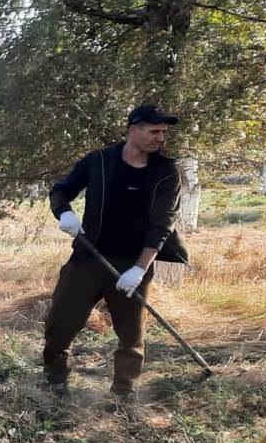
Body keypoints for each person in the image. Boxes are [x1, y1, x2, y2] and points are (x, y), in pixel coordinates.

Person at [43, 104, 189, 401]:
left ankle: (124, 393)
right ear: (132, 129)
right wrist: (64, 213)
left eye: (163, 132)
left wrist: (139, 269)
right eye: (154, 131)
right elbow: (61, 190)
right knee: (60, 325)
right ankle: (55, 384)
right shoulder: (98, 161)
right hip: (88, 259)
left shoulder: (166, 172)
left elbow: (162, 225)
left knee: (131, 336)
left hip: (133, 263)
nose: (160, 138)